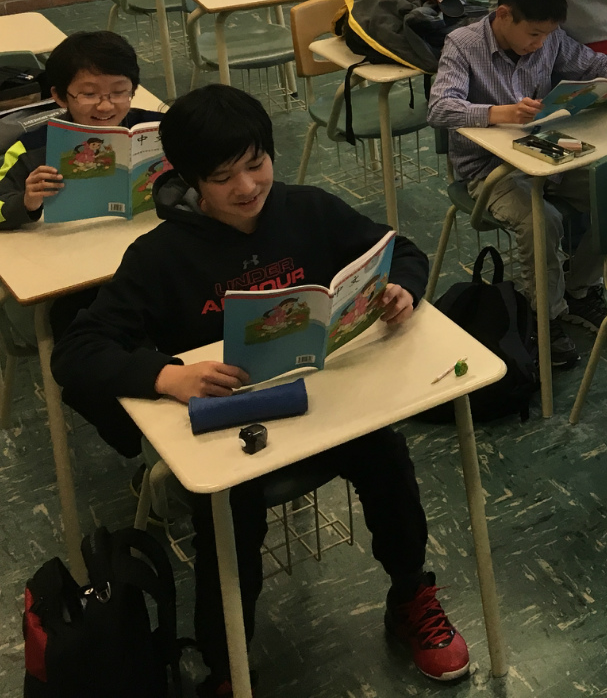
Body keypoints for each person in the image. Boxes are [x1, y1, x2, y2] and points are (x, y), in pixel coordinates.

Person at [50, 86, 469, 696]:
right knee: (229, 528)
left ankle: (410, 593)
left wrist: (401, 287)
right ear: (190, 179)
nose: (247, 187)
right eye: (223, 178)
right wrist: (168, 376)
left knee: (388, 462)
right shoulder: (160, 255)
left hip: (322, 400)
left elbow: (397, 249)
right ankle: (226, 665)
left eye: (256, 164)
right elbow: (76, 351)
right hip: (232, 425)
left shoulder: (309, 210)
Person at [429, 0, 607, 366]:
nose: (540, 44)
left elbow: (592, 65)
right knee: (541, 220)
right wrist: (498, 113)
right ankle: (544, 318)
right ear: (503, 15)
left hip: (546, 153)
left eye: (547, 35)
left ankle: (579, 287)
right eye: (534, 34)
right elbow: (440, 108)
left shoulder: (548, 39)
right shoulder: (463, 45)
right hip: (488, 170)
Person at [0, 31, 154, 337]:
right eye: (89, 94)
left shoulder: (157, 129)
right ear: (60, 96)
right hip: (75, 271)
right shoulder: (34, 147)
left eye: (119, 92)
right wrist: (25, 201)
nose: (106, 106)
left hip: (144, 252)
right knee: (88, 318)